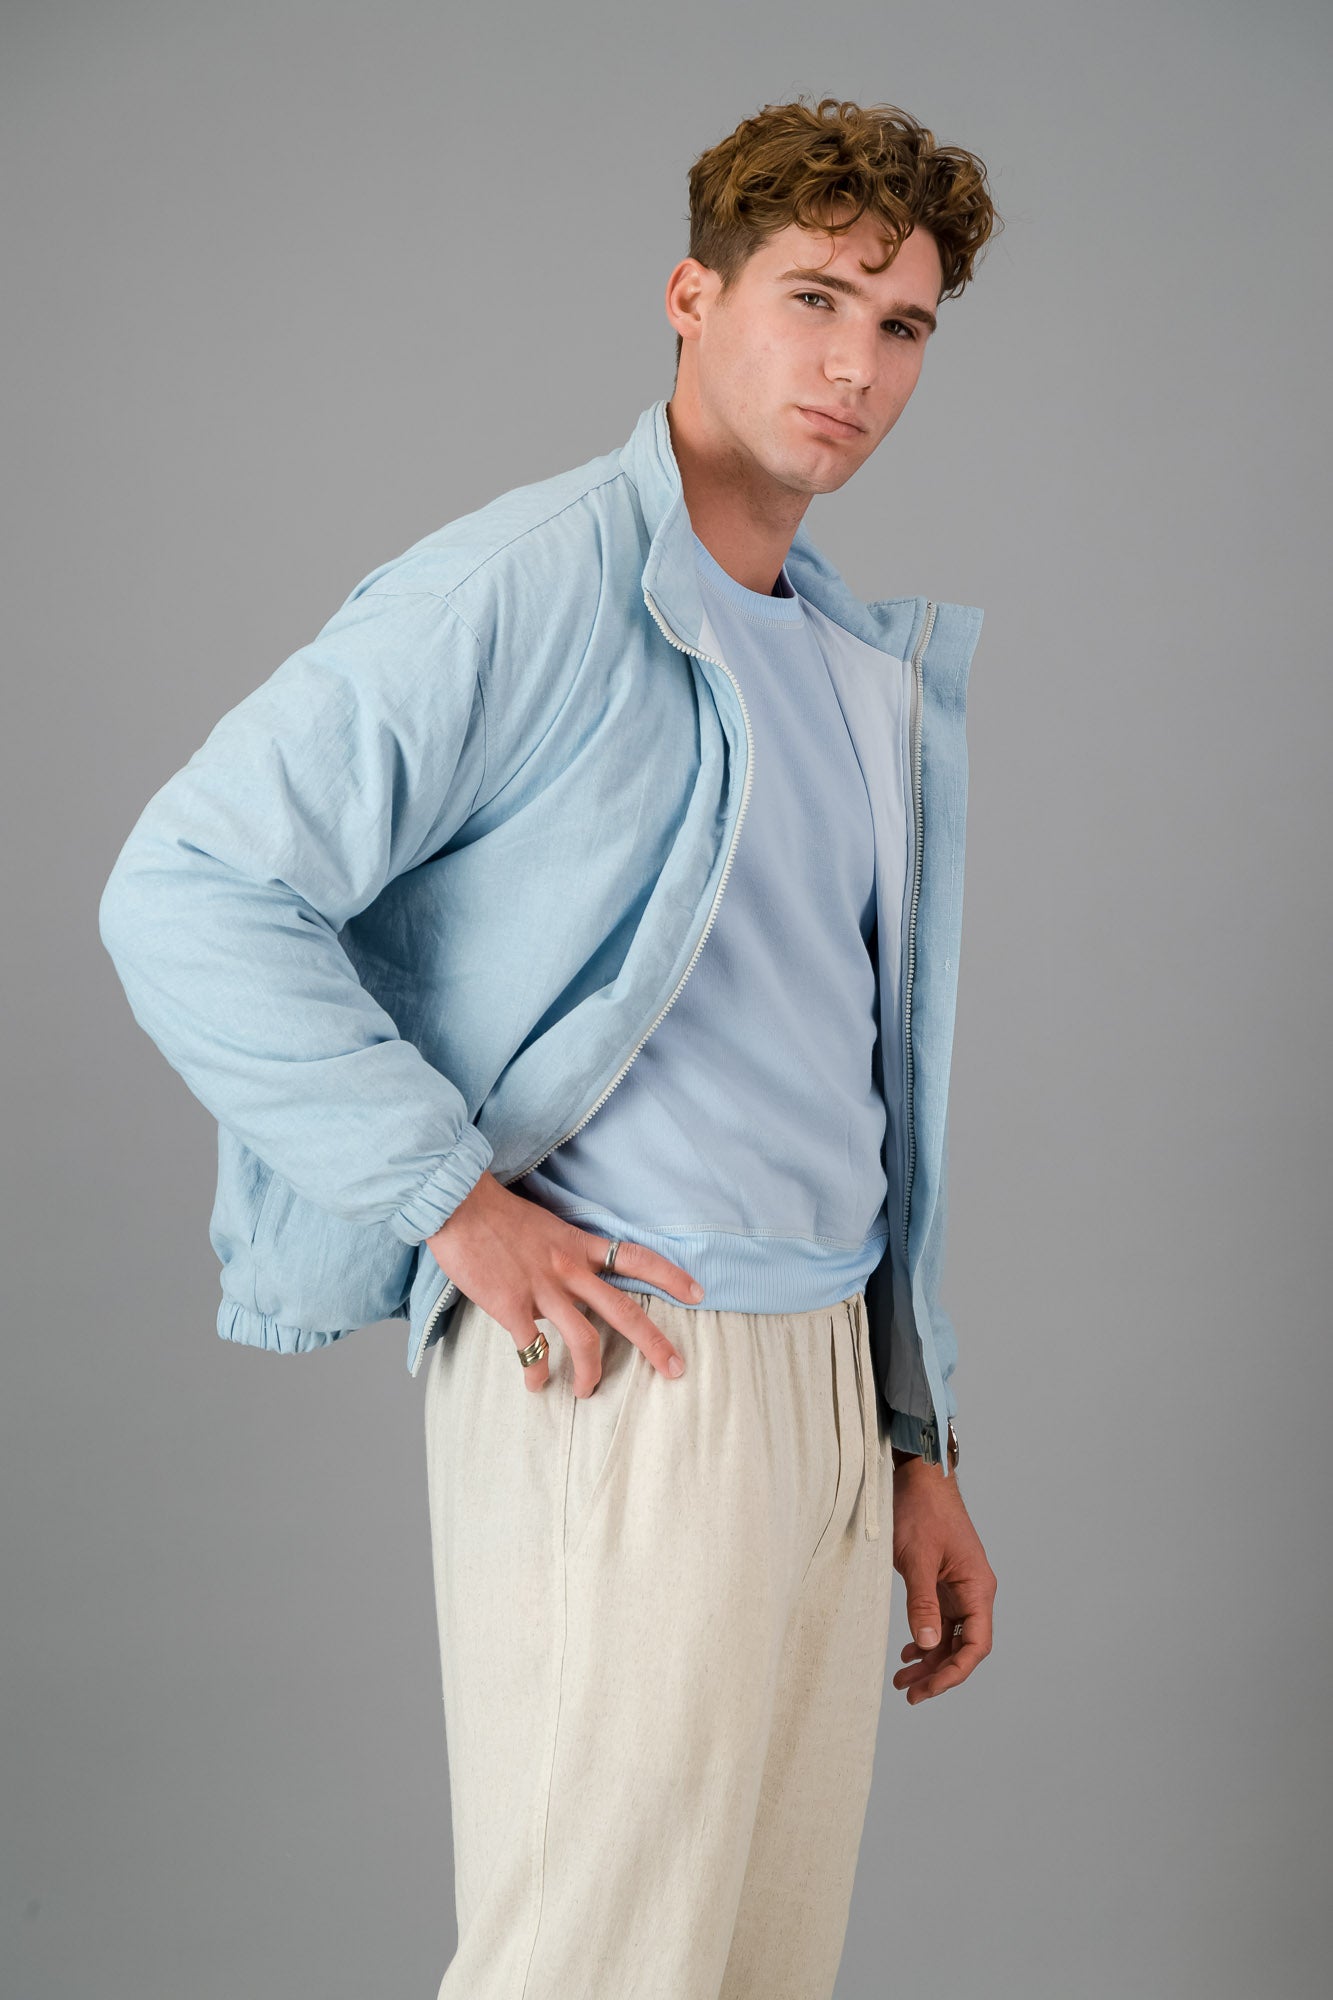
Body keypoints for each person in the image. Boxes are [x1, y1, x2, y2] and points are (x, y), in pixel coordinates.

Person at [99, 94, 1002, 2000]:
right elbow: (184, 882)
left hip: (819, 1380)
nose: (854, 364)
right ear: (692, 296)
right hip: (632, 1368)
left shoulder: (841, 656)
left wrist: (906, 1437)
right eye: (814, 297)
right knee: (597, 1971)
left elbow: (837, 1078)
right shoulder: (530, 581)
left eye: (903, 323)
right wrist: (453, 1204)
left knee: (748, 1973)